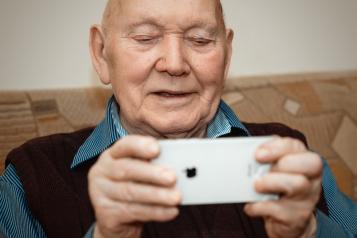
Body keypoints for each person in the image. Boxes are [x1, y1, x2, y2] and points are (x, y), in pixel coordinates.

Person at [1, 0, 356, 237]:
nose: (174, 63)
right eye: (145, 38)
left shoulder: (289, 156)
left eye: (200, 40)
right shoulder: (31, 175)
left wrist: (308, 230)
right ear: (101, 54)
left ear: (226, 54)